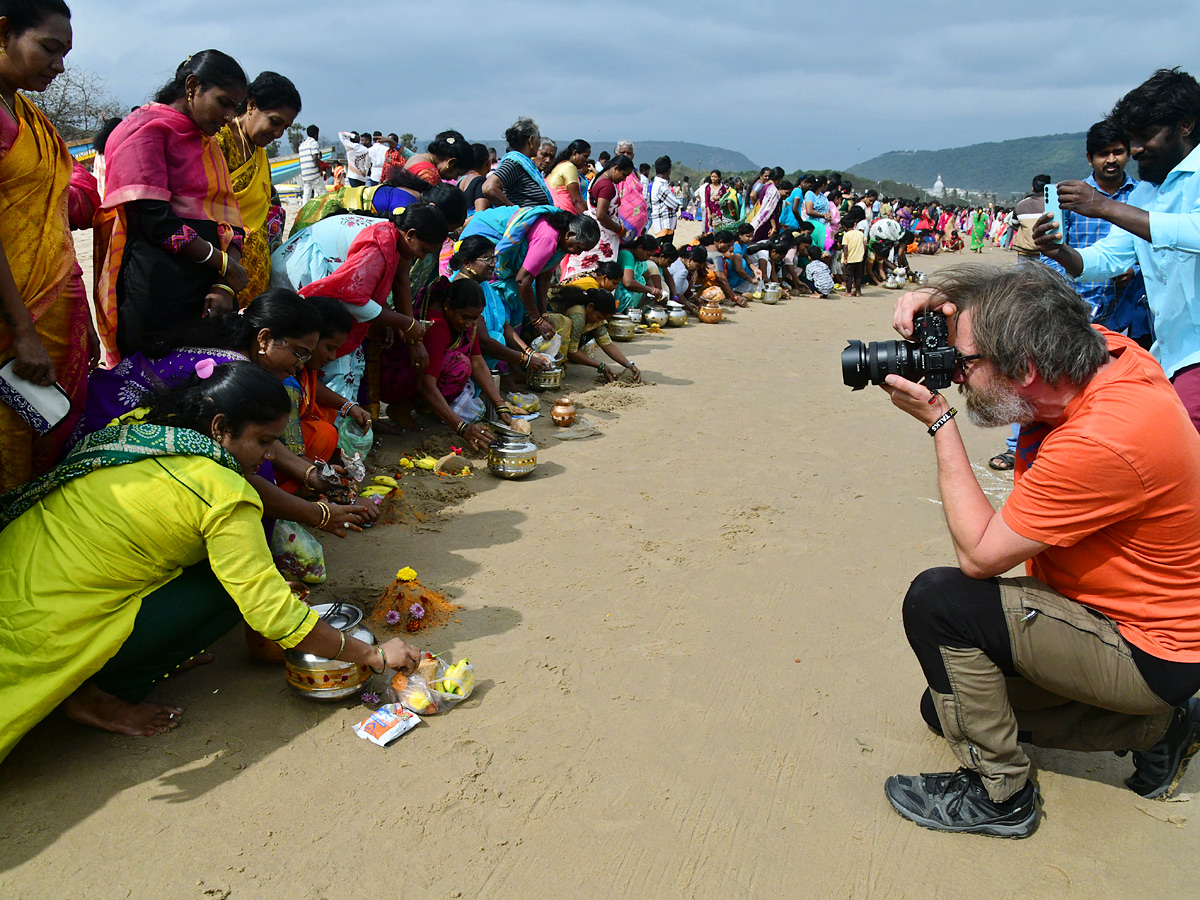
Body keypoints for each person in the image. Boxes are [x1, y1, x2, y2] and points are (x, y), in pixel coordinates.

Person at [883, 264, 1200, 838]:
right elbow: (1034, 298)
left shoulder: (1105, 438)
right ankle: (1160, 727)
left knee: (941, 602)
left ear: (1025, 369)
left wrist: (941, 423)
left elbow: (979, 556)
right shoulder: (1108, 352)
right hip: (1141, 623)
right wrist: (949, 300)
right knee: (947, 709)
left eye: (966, 362)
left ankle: (999, 794)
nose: (956, 373)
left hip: (1146, 649)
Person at [0, 361, 421, 760]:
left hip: (16, 573)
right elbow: (274, 615)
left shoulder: (151, 431)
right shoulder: (222, 490)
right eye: (262, 441)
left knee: (232, 575)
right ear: (220, 428)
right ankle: (98, 695)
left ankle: (154, 652)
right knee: (229, 592)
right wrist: (372, 656)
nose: (270, 455)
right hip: (43, 631)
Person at [1036, 68, 1200, 431]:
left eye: (1145, 137)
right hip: (1171, 354)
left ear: (1185, 125)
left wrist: (1104, 206)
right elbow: (1109, 257)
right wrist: (1059, 250)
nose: (1136, 149)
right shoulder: (1146, 194)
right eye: (1133, 138)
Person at [0, 0, 100, 492]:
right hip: (13, 321)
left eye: (65, 53)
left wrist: (81, 323)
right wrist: (23, 331)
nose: (59, 66)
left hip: (53, 312)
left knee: (45, 438)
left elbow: (52, 225)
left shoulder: (29, 116)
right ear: (3, 32)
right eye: (49, 49)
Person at [95, 50, 249, 361]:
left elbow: (230, 225)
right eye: (223, 103)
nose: (228, 117)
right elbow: (158, 223)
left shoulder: (207, 144)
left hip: (207, 292)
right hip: (157, 290)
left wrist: (224, 286)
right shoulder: (144, 131)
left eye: (234, 108)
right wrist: (223, 265)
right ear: (192, 86)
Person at [1040, 121, 1150, 347]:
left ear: (1128, 154)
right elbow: (1052, 254)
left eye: (1118, 152)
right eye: (1103, 154)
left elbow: (1151, 250)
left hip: (1128, 308)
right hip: (1079, 307)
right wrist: (1064, 296)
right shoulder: (1071, 197)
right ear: (1090, 158)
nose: (1111, 160)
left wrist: (1133, 271)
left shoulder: (1143, 196)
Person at [215, 72, 300, 307]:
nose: (278, 134)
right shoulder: (219, 141)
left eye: (285, 127)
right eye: (274, 121)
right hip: (220, 277)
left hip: (254, 281)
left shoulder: (260, 154)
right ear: (251, 106)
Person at [458, 205, 599, 341]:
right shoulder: (548, 238)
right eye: (579, 247)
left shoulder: (563, 243)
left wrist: (543, 313)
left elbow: (544, 276)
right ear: (570, 234)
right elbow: (522, 280)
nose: (578, 253)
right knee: (498, 310)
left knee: (518, 305)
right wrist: (537, 320)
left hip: (508, 259)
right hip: (484, 239)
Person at [446, 235, 553, 373]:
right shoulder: (461, 288)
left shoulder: (483, 285)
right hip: (462, 358)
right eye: (486, 259)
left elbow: (504, 324)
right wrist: (525, 359)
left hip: (479, 356)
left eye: (493, 258)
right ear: (466, 263)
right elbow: (483, 341)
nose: (492, 264)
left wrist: (529, 352)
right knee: (496, 338)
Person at [559, 155, 635, 282]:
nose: (623, 179)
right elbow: (601, 214)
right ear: (615, 169)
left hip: (596, 231)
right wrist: (620, 229)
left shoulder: (598, 179)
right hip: (602, 237)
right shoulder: (607, 186)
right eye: (624, 175)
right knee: (599, 275)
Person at [546, 286, 640, 382]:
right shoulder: (578, 315)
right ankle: (553, 368)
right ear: (590, 307)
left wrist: (629, 364)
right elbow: (572, 352)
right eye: (599, 317)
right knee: (566, 324)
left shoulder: (593, 314)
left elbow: (607, 343)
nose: (598, 321)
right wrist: (601, 366)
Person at [482, 117, 553, 208]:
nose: (539, 144)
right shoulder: (515, 163)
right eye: (538, 139)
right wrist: (516, 211)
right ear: (531, 140)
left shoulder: (524, 164)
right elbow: (489, 188)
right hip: (524, 221)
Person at [403, 130, 470, 185]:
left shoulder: (419, 158)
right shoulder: (430, 176)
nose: (455, 178)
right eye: (457, 173)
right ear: (451, 162)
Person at [546, 139, 591, 214]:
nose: (587, 160)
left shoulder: (560, 165)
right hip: (564, 215)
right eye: (585, 156)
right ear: (575, 153)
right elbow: (576, 200)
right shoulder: (569, 167)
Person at [648, 155, 681, 238]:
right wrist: (676, 204)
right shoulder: (661, 186)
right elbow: (675, 204)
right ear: (668, 171)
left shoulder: (661, 184)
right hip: (663, 225)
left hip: (666, 225)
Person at [457, 142, 493, 214]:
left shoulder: (461, 180)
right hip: (472, 224)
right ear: (488, 162)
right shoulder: (480, 181)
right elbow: (480, 213)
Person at [841, 207, 867, 296]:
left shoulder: (846, 235)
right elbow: (864, 244)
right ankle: (858, 291)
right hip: (859, 258)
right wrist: (863, 253)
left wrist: (845, 258)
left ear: (844, 226)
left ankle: (848, 292)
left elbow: (845, 247)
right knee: (858, 276)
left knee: (849, 276)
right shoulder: (860, 233)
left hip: (850, 258)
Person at [298, 124, 324, 204]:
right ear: (316, 134)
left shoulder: (302, 145)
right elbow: (315, 157)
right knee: (321, 190)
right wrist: (320, 170)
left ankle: (304, 208)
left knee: (307, 193)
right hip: (313, 172)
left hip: (305, 174)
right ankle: (323, 205)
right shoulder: (314, 143)